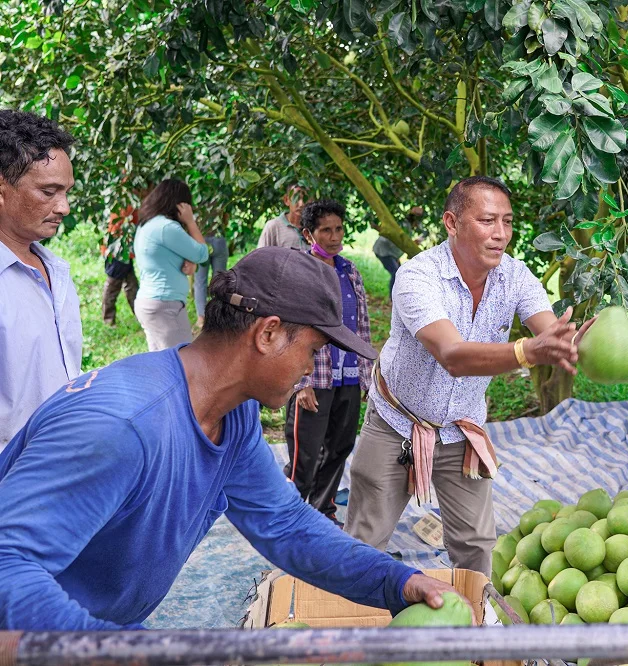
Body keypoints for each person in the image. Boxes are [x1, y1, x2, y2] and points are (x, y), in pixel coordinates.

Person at [0, 247, 462, 631]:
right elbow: (7, 567)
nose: (311, 370)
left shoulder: (231, 414)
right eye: (313, 351)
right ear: (268, 333)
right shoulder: (123, 427)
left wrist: (396, 581)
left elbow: (283, 523)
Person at [345, 176, 592, 575]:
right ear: (452, 222)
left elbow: (549, 330)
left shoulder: (515, 277)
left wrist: (577, 342)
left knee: (477, 546)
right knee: (364, 541)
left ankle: (476, 624)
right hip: (395, 425)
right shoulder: (417, 278)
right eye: (488, 221)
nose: (501, 235)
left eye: (508, 222)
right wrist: (527, 352)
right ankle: (344, 624)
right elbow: (452, 355)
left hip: (462, 430)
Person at [0, 110, 81, 454]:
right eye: (49, 191)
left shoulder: (56, 272)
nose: (63, 206)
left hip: (59, 466)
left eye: (66, 191)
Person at [285, 200, 372, 520]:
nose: (334, 237)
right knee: (304, 454)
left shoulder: (350, 271)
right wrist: (301, 383)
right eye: (326, 230)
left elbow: (362, 326)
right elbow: (289, 330)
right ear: (309, 234)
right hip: (314, 376)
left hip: (347, 376)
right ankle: (289, 515)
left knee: (340, 446)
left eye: (338, 229)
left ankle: (323, 510)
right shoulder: (300, 272)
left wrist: (366, 375)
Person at [132, 179, 209, 351]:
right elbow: (202, 254)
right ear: (180, 205)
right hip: (165, 305)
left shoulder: (147, 224)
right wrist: (190, 221)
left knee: (161, 364)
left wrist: (191, 263)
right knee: (181, 361)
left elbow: (167, 258)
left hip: (150, 302)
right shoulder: (167, 228)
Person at [101, 201, 140, 326]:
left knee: (131, 284)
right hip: (118, 249)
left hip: (123, 250)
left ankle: (140, 315)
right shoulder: (127, 203)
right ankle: (108, 319)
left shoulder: (129, 200)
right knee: (113, 284)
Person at [373, 205, 423, 298]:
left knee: (400, 273)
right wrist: (412, 243)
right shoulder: (404, 225)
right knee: (396, 273)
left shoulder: (407, 226)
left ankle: (399, 297)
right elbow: (399, 242)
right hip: (384, 251)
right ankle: (392, 299)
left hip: (391, 253)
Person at [194, 211, 230, 330]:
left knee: (200, 282)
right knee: (219, 281)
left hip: (200, 240)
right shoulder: (220, 196)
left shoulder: (195, 199)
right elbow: (226, 218)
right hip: (218, 239)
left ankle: (201, 318)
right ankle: (218, 315)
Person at [258, 184, 309, 251]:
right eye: (296, 198)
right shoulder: (273, 226)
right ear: (286, 200)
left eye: (305, 199)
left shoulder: (315, 227)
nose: (301, 204)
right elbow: (261, 257)